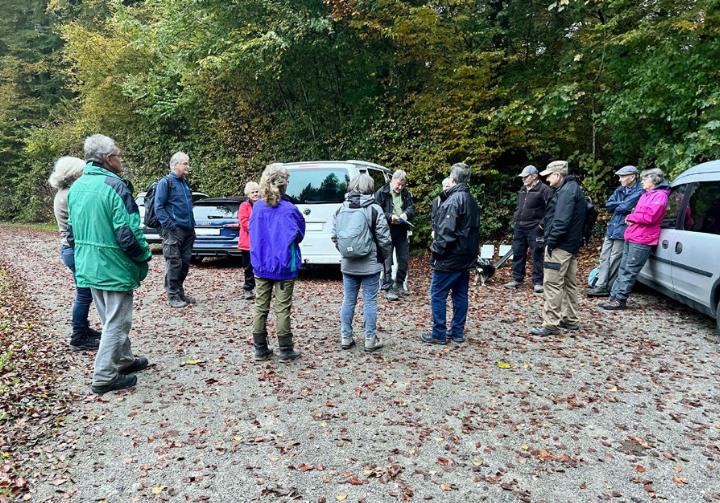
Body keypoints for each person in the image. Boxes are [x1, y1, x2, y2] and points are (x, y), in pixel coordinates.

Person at [67, 134, 152, 394]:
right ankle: (104, 375)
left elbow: (70, 233)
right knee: (118, 321)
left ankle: (123, 360)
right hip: (112, 264)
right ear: (107, 159)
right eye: (117, 154)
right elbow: (127, 232)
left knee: (108, 317)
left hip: (89, 262)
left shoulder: (77, 186)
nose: (120, 159)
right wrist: (144, 255)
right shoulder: (115, 186)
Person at [249, 164, 306, 362]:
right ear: (283, 184)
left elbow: (253, 233)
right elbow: (299, 234)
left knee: (260, 306)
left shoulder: (257, 207)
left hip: (261, 264)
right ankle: (285, 349)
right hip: (283, 265)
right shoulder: (289, 209)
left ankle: (260, 349)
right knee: (282, 308)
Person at [332, 174, 392, 352]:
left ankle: (345, 337)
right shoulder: (374, 209)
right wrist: (383, 256)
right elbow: (385, 239)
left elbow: (335, 237)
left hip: (348, 264)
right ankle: (369, 339)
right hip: (370, 264)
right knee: (370, 301)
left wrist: (346, 253)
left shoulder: (340, 209)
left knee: (348, 300)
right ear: (370, 187)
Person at [421, 163, 480, 345]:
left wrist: (435, 252)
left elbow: (446, 234)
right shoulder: (471, 200)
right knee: (460, 294)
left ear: (453, 179)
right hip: (465, 256)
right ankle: (457, 332)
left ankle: (439, 333)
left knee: (437, 293)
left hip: (450, 258)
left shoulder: (453, 201)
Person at [49, 156, 101, 352]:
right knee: (84, 294)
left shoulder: (63, 193)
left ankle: (83, 330)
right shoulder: (70, 194)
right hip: (74, 249)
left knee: (84, 293)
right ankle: (78, 336)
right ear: (73, 174)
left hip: (70, 249)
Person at [529, 160, 587, 336]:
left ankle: (550, 324)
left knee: (552, 283)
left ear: (557, 175)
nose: (547, 180)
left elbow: (561, 221)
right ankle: (570, 319)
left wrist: (551, 242)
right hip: (570, 245)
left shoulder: (566, 193)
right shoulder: (572, 189)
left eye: (549, 176)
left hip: (560, 246)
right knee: (569, 284)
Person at [599, 168, 670, 310]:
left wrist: (631, 217)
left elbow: (650, 217)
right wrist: (633, 217)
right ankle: (613, 297)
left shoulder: (660, 196)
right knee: (623, 267)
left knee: (629, 270)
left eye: (645, 179)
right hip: (633, 235)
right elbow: (635, 211)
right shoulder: (647, 194)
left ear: (653, 180)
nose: (642, 181)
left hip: (643, 238)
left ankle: (620, 299)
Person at [587, 165, 644, 297]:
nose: (619, 179)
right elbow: (608, 205)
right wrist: (622, 205)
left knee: (615, 258)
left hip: (624, 229)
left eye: (622, 176)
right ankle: (600, 285)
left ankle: (607, 286)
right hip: (612, 227)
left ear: (632, 177)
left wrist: (621, 205)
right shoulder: (620, 190)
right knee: (604, 257)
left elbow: (624, 207)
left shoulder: (640, 191)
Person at [154, 152, 196, 308]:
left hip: (188, 230)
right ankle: (172, 295)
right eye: (185, 163)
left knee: (184, 264)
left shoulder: (184, 183)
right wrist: (170, 226)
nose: (188, 166)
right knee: (174, 263)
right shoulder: (165, 183)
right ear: (175, 165)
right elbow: (158, 207)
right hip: (174, 231)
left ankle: (179, 293)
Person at [504, 165, 552, 293]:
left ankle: (538, 281)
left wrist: (541, 224)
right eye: (523, 177)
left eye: (526, 177)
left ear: (534, 176)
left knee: (537, 254)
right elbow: (519, 206)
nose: (523, 179)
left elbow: (551, 209)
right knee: (518, 252)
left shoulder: (544, 190)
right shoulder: (523, 189)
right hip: (520, 226)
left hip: (535, 227)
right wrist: (516, 218)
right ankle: (517, 278)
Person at [375, 170, 415, 300]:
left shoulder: (405, 193)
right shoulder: (382, 192)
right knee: (388, 260)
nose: (400, 187)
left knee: (403, 259)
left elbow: (411, 207)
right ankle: (387, 287)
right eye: (398, 184)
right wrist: (390, 217)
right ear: (392, 181)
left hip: (402, 229)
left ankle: (399, 284)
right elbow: (376, 211)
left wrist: (406, 214)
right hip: (387, 230)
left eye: (402, 185)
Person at [238, 181, 260, 300]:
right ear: (248, 194)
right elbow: (244, 222)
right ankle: (248, 288)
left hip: (261, 243)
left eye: (257, 192)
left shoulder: (263, 204)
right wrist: (257, 229)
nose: (255, 194)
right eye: (253, 192)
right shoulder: (244, 206)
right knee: (248, 267)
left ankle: (263, 288)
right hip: (247, 243)